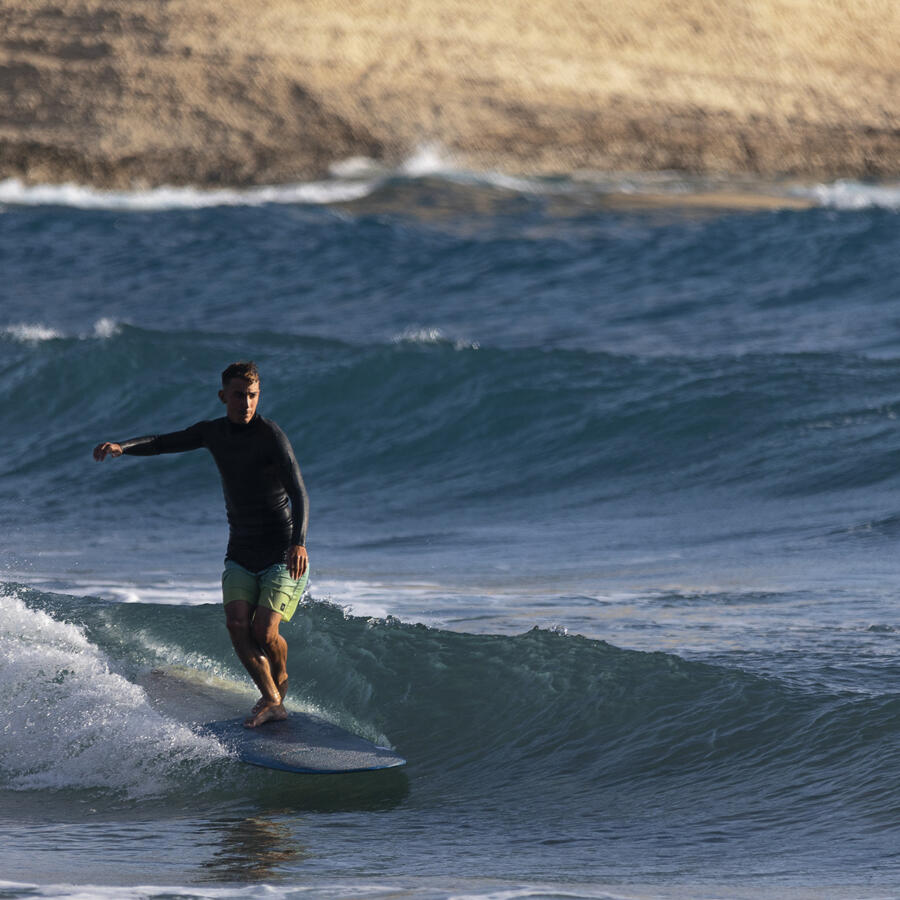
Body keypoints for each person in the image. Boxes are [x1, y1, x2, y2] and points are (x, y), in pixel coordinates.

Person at [93, 361, 309, 728]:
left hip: (279, 551)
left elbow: (299, 493)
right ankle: (273, 699)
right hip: (240, 550)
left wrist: (298, 543)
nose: (246, 403)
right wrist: (122, 447)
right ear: (223, 396)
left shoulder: (271, 435)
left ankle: (279, 678)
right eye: (239, 395)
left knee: (265, 633)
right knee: (237, 625)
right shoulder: (213, 433)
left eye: (253, 396)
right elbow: (163, 443)